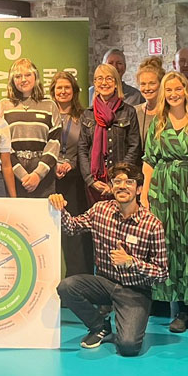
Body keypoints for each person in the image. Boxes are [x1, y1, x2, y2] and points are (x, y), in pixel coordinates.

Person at [53, 162, 168, 357]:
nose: (122, 186)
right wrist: (59, 207)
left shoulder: (152, 224)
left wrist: (132, 262)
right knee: (66, 286)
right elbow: (72, 227)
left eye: (129, 182)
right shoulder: (100, 210)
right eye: (117, 181)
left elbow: (162, 273)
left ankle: (128, 321)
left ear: (139, 189)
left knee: (128, 347)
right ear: (112, 186)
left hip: (135, 290)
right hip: (104, 283)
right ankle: (99, 326)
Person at [141, 72, 188, 333]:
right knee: (170, 246)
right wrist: (145, 194)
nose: (173, 93)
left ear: (185, 90)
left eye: (177, 88)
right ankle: (181, 309)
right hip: (163, 190)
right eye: (168, 89)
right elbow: (148, 160)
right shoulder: (157, 123)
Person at [78, 63, 141, 204]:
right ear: (94, 83)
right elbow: (82, 149)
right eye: (99, 79)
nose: (104, 83)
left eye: (109, 78)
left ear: (116, 83)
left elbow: (134, 146)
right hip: (94, 183)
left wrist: (119, 179)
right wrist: (90, 180)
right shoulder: (87, 114)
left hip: (122, 182)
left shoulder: (128, 112)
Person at [0, 58, 62, 198]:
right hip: (13, 174)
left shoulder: (50, 106)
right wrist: (22, 175)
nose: (23, 79)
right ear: (11, 80)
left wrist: (37, 175)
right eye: (18, 76)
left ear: (36, 77)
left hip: (43, 175)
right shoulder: (3, 106)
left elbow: (54, 143)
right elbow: (2, 145)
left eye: (28, 75)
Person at [50, 71, 92, 276]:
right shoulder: (47, 114)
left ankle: (77, 281)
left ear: (74, 91)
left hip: (74, 181)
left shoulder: (84, 117)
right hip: (49, 179)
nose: (63, 91)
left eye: (67, 87)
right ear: (53, 91)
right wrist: (53, 164)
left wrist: (71, 164)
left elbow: (87, 149)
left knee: (74, 233)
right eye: (59, 88)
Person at [134, 56, 165, 144]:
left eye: (152, 83)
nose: (147, 88)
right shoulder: (134, 112)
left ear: (161, 84)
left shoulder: (169, 112)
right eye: (143, 84)